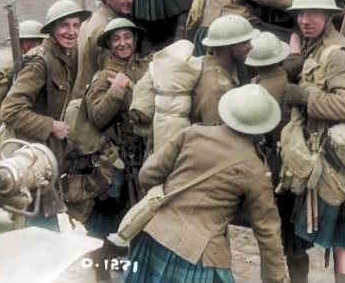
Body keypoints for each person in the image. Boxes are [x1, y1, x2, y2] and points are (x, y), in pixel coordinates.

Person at [123, 84, 288, 283]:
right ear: (263, 127)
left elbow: (148, 175)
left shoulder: (193, 133)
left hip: (152, 235)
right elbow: (268, 233)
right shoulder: (255, 170)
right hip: (197, 256)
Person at [282, 0, 345, 283]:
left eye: (313, 14)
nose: (305, 20)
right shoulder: (316, 45)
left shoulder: (336, 54)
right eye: (300, 14)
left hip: (339, 166)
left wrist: (306, 97)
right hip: (327, 158)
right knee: (341, 245)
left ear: (329, 17)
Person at [0, 0, 91, 230]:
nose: (71, 32)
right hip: (29, 157)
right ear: (51, 30)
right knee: (36, 226)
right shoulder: (40, 62)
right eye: (64, 26)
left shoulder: (66, 57)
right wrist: (50, 125)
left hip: (46, 154)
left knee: (44, 222)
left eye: (75, 25)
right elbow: (10, 109)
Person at [73, 18, 150, 238]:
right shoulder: (103, 78)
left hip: (147, 151)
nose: (122, 43)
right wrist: (116, 90)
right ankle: (102, 265)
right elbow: (97, 117)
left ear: (135, 39)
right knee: (111, 219)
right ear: (109, 44)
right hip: (120, 159)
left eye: (127, 37)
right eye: (116, 39)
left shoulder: (146, 68)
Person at [246, 32, 311, 283]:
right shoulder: (292, 78)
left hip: (270, 166)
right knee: (296, 238)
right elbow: (296, 61)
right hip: (296, 161)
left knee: (270, 236)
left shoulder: (256, 91)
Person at [0, 19, 46, 136]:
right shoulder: (13, 64)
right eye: (37, 42)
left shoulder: (23, 59)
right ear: (26, 44)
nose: (40, 46)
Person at [72, 0, 138, 100]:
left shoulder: (90, 20)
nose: (129, 0)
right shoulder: (109, 28)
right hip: (97, 99)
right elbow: (113, 72)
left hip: (82, 96)